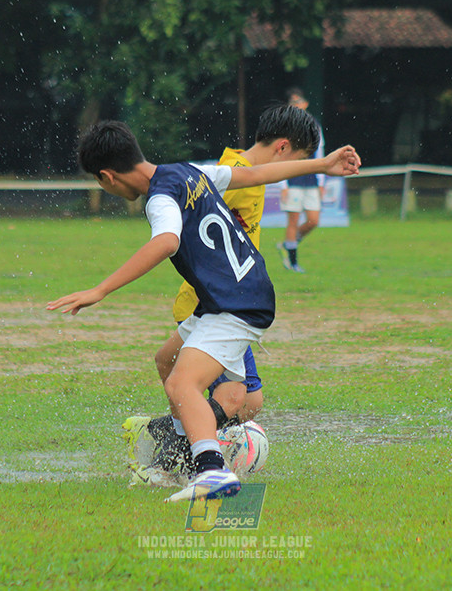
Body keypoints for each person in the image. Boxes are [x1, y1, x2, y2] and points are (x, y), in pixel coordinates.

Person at [47, 117, 360, 502]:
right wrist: (321, 164)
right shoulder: (188, 171)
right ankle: (181, 453)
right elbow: (257, 173)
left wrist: (100, 289)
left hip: (235, 304)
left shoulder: (160, 197)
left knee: (183, 383)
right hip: (232, 297)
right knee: (167, 359)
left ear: (107, 177)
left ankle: (210, 470)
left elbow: (165, 242)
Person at [122, 106, 318, 485]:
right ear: (283, 148)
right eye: (300, 158)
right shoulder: (234, 174)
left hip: (224, 300)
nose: (294, 168)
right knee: (240, 401)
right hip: (214, 304)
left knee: (212, 387)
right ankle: (178, 447)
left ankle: (171, 439)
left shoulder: (247, 173)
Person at [277, 88, 326, 273]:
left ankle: (288, 244)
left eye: (299, 102)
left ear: (305, 104)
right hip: (292, 179)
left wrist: (321, 181)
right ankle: (292, 261)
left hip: (311, 178)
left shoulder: (314, 125)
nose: (297, 106)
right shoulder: (284, 128)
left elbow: (320, 153)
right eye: (293, 103)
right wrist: (282, 185)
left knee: (313, 220)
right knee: (293, 220)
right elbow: (280, 156)